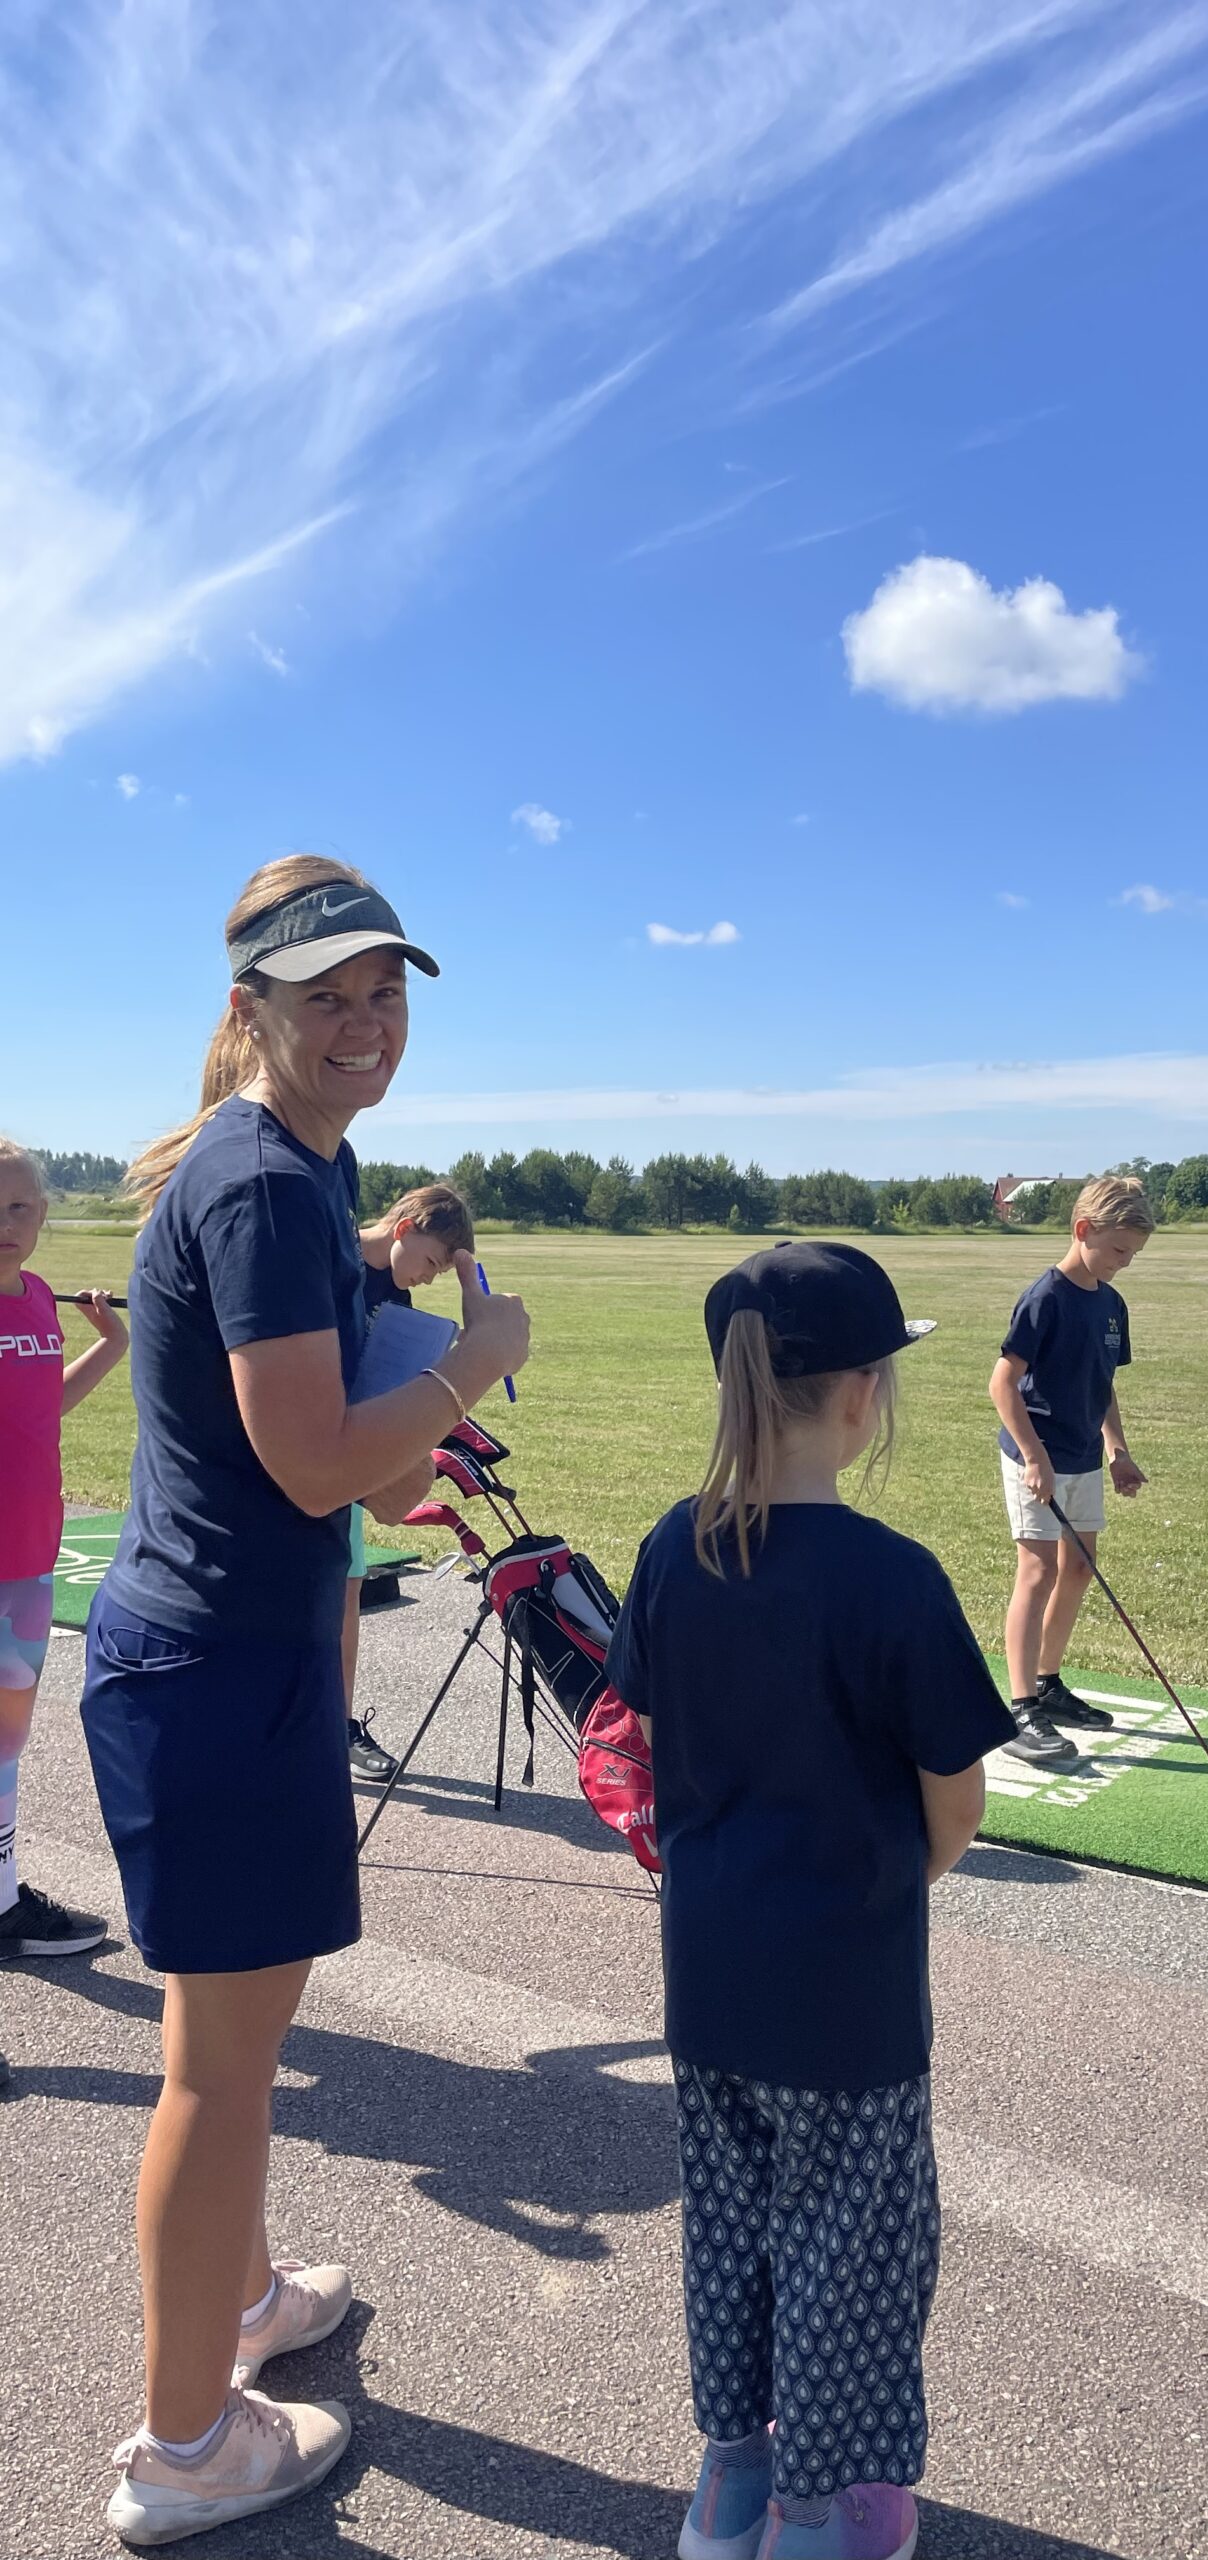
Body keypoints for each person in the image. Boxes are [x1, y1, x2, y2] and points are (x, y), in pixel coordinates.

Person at [78, 856, 531, 2548]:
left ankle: (246, 2302)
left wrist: (378, 1449)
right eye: (327, 994)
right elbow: (317, 1448)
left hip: (214, 1658)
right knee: (219, 2075)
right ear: (250, 1009)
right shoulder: (263, 1184)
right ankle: (186, 2446)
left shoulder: (266, 1173)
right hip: (221, 1678)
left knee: (238, 2065)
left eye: (384, 992)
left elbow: (302, 1455)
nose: (365, 1022)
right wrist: (483, 1354)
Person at [605, 1241, 1017, 2560]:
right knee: (856, 2250)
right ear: (858, 1396)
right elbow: (955, 1804)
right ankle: (816, 2507)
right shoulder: (889, 1577)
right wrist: (894, 1876)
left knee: (730, 2230)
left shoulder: (675, 1546)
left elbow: (651, 1729)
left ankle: (733, 2477)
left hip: (710, 1969)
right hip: (846, 1987)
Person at [0, 1137, 127, 1964]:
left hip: (29, 1561)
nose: (3, 1224)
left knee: (6, 1747)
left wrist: (110, 1346)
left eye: (18, 1207)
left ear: (43, 1216)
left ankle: (2, 1899)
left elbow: (44, 1406)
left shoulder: (39, 1296)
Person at [988, 1173, 1153, 1771]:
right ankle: (1021, 1706)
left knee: (1078, 1569)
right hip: (1037, 1455)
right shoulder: (1046, 1298)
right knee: (1036, 1571)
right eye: (1117, 1250)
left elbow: (1103, 1384)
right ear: (1083, 1231)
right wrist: (1034, 1457)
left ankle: (1048, 1681)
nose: (1124, 1263)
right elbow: (1001, 1383)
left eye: (1132, 1254)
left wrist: (1118, 1451)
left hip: (1084, 1454)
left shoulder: (1111, 1305)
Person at [343, 1181, 475, 1782]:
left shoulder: (401, 1301)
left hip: (351, 1455)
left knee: (344, 1587)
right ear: (405, 1227)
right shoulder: (326, 1257)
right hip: (299, 1449)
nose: (426, 1278)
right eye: (430, 1262)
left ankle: (337, 1726)